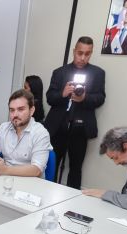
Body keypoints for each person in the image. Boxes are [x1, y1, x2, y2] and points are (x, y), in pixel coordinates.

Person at [44, 36, 106, 188]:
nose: (83, 57)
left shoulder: (98, 73)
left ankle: (72, 204)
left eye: (87, 54)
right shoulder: (59, 72)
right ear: (74, 51)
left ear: (91, 53)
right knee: (51, 164)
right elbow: (49, 98)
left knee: (76, 168)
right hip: (58, 127)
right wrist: (62, 94)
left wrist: (84, 98)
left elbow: (100, 98)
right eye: (80, 53)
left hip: (81, 128)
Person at [0, 89, 52, 178]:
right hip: (5, 179)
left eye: (20, 109)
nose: (15, 114)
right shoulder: (4, 128)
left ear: (32, 110)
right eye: (12, 110)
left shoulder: (41, 133)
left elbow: (37, 169)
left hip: (30, 183)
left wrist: (5, 169)